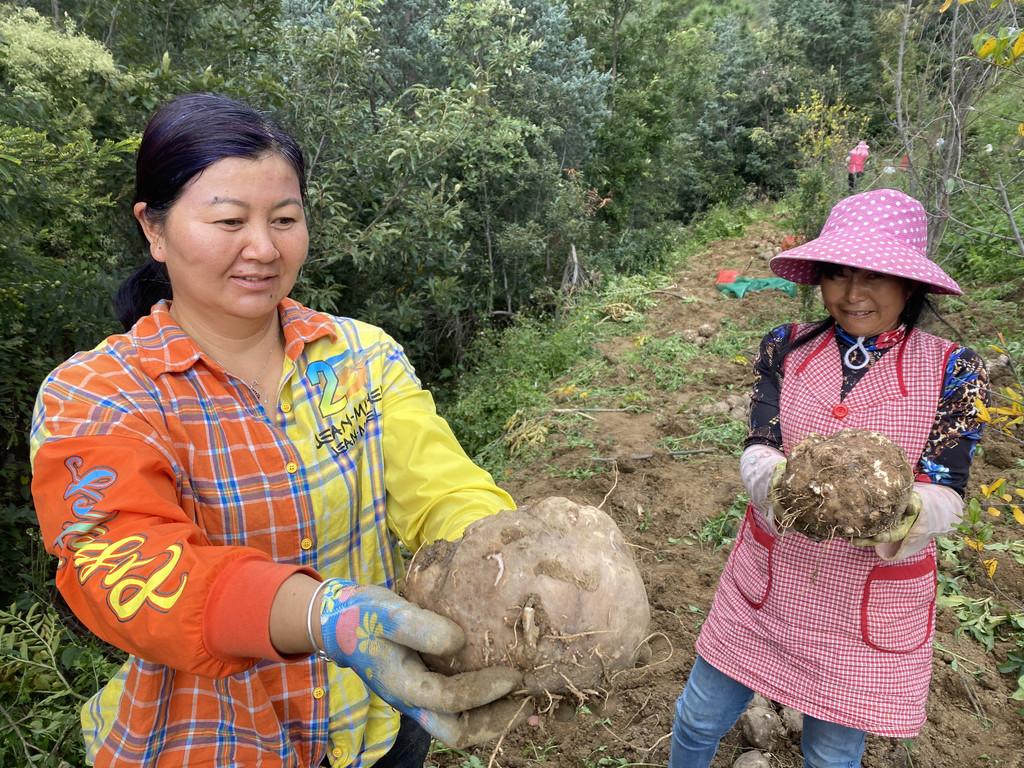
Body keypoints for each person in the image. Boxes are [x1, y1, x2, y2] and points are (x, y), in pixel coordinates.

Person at [29, 92, 526, 767]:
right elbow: (126, 565)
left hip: (382, 717)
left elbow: (441, 488)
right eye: (229, 219)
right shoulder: (96, 396)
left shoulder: (361, 357)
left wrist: (512, 561)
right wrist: (325, 616)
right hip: (215, 741)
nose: (262, 248)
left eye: (285, 218)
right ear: (154, 228)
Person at [669, 188, 988, 767]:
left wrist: (903, 511)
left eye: (875, 277)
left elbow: (948, 488)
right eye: (838, 275)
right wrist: (780, 483)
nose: (853, 294)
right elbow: (760, 444)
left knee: (832, 753)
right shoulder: (787, 347)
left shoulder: (954, 370)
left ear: (909, 284)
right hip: (768, 586)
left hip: (865, 602)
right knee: (697, 717)